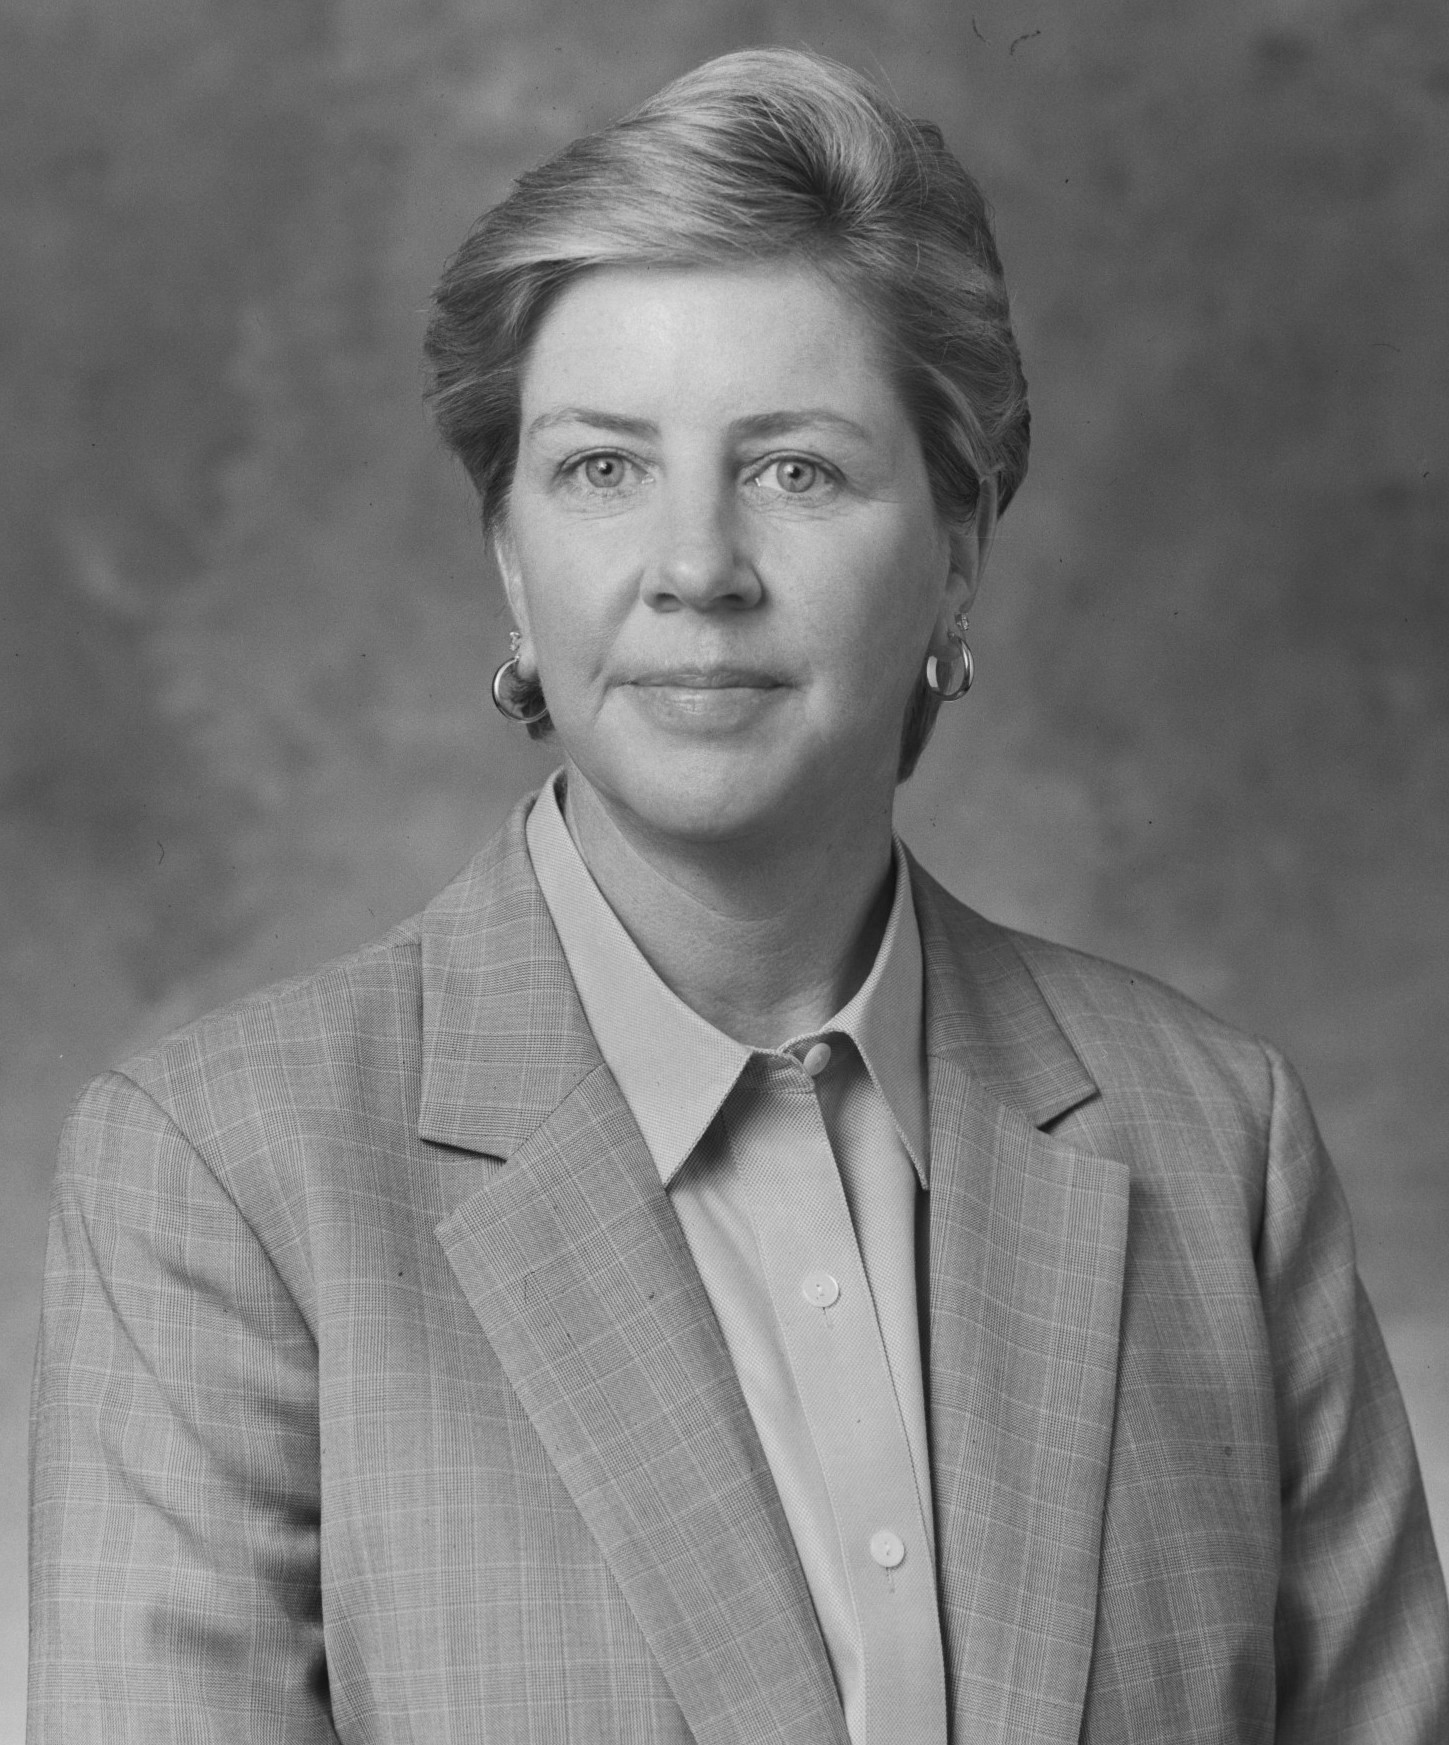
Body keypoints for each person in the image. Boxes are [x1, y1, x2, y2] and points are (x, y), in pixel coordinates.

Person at [28, 46, 1448, 1745]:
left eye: (793, 467)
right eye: (601, 468)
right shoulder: (225, 1179)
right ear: (508, 556)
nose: (694, 569)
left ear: (960, 544)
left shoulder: (1217, 1144)